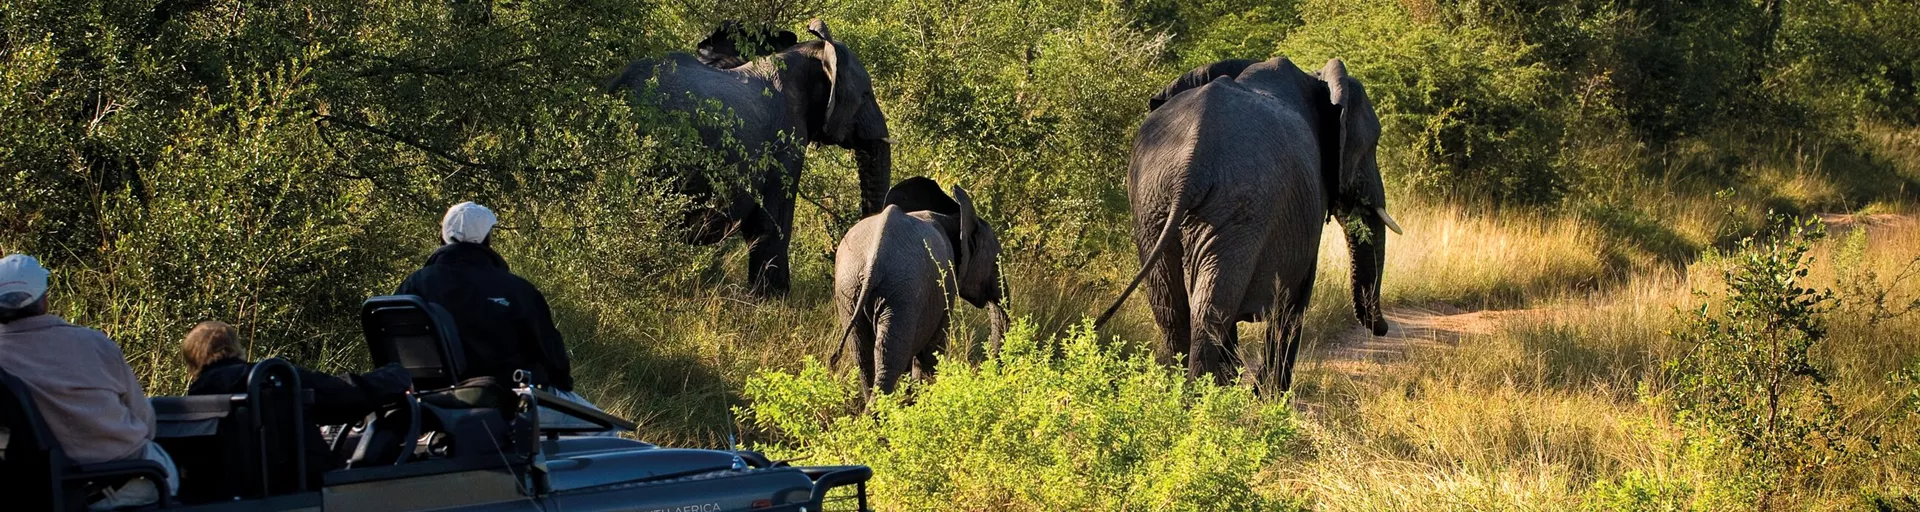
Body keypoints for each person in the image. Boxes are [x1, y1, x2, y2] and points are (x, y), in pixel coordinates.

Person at [0, 254, 176, 509]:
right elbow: (146, 422)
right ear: (45, 300)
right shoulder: (95, 344)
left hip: (46, 489)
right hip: (128, 481)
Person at [395, 202, 602, 414]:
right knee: (606, 428)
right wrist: (559, 383)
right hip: (508, 404)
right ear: (487, 239)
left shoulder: (412, 286)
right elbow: (555, 361)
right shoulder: (517, 290)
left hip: (428, 402)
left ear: (443, 236)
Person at [181, 321, 411, 478]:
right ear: (235, 348)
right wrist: (397, 375)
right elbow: (343, 394)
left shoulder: (194, 400)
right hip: (297, 488)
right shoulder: (269, 379)